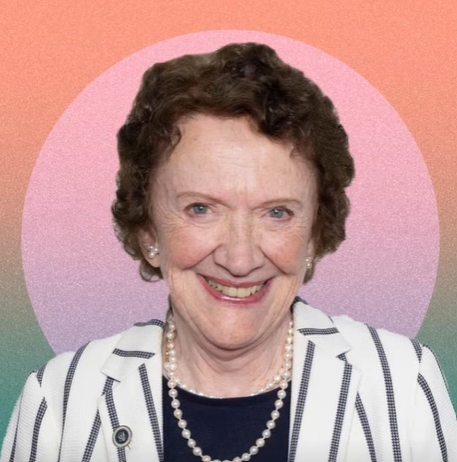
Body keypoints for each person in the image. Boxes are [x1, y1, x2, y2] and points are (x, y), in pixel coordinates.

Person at [1, 43, 456, 462]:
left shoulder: (403, 384)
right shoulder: (60, 401)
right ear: (147, 230)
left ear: (315, 234)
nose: (239, 260)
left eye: (276, 212)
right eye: (201, 209)